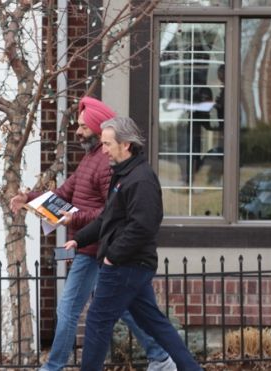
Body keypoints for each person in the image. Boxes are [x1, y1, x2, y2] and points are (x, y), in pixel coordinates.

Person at [10, 97, 176, 371]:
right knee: (125, 308)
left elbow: (110, 213)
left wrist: (75, 219)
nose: (77, 131)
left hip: (103, 249)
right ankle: (160, 356)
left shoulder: (108, 164)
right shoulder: (90, 158)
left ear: (99, 129)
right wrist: (30, 197)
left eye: (83, 127)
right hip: (91, 247)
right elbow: (64, 193)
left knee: (76, 309)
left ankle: (53, 367)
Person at [64, 117, 202, 371]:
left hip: (125, 266)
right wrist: (79, 239)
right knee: (154, 322)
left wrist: (112, 257)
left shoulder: (141, 180)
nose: (103, 149)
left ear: (125, 144)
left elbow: (143, 226)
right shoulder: (123, 175)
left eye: (107, 144)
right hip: (130, 265)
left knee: (97, 320)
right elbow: (108, 217)